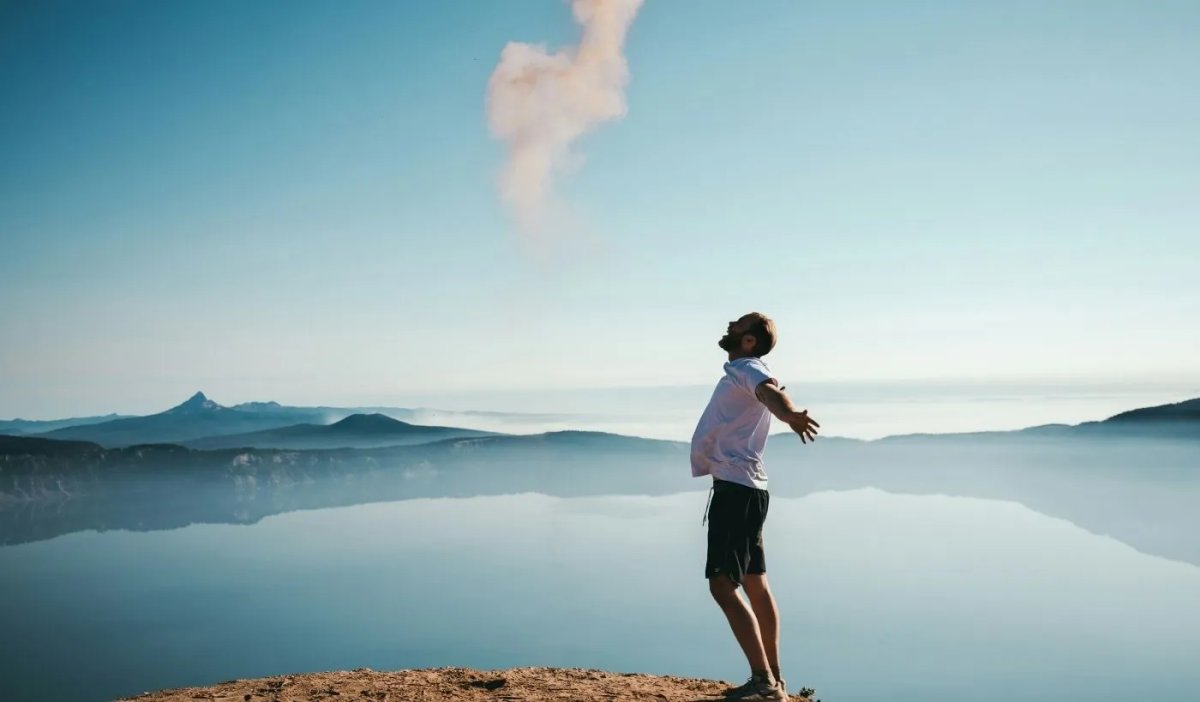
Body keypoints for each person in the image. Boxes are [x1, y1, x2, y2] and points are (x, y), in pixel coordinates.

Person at [691, 312, 819, 701]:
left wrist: (788, 414)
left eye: (737, 325)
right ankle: (773, 679)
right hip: (748, 488)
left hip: (735, 490)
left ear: (748, 341)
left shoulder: (747, 369)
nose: (729, 325)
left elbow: (771, 393)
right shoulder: (746, 369)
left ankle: (764, 683)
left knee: (722, 586)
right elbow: (768, 391)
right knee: (754, 583)